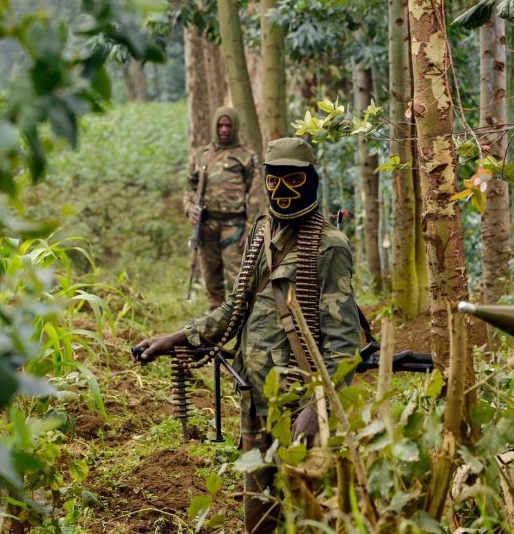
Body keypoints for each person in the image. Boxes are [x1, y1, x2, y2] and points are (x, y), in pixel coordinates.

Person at [136, 137, 362, 534]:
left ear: (311, 179)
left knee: (311, 512)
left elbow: (345, 345)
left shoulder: (329, 247)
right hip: (254, 397)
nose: (282, 190)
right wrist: (178, 337)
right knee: (258, 509)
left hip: (299, 403)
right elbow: (235, 306)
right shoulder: (261, 231)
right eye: (274, 179)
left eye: (293, 179)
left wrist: (318, 408)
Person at [184, 106, 258, 309]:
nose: (224, 129)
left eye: (228, 125)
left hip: (234, 225)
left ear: (234, 127)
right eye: (220, 125)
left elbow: (255, 194)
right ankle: (215, 319)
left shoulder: (246, 156)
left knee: (239, 277)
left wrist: (251, 228)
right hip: (206, 223)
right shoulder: (201, 155)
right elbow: (189, 187)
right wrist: (189, 207)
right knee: (211, 276)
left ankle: (241, 319)